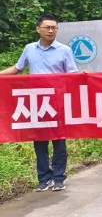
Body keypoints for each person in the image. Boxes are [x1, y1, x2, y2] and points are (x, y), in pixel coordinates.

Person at [1, 14, 78, 192]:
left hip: (57, 101)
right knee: (39, 141)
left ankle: (58, 178)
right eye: (47, 27)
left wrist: (84, 77)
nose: (51, 30)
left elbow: (71, 75)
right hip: (36, 102)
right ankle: (44, 179)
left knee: (59, 140)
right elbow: (18, 68)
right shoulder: (29, 49)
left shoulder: (65, 50)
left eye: (54, 28)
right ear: (38, 29)